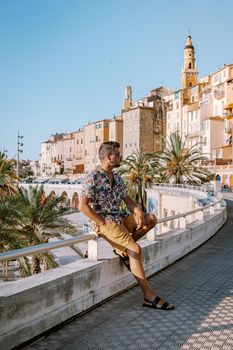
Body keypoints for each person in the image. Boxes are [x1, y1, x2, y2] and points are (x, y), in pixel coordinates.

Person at [79, 141, 174, 310]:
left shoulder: (117, 178)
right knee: (135, 250)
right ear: (109, 157)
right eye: (118, 154)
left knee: (150, 219)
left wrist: (137, 212)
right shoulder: (93, 177)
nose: (121, 157)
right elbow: (82, 206)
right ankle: (148, 296)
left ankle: (122, 249)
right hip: (105, 222)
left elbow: (127, 199)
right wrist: (101, 222)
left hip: (119, 217)